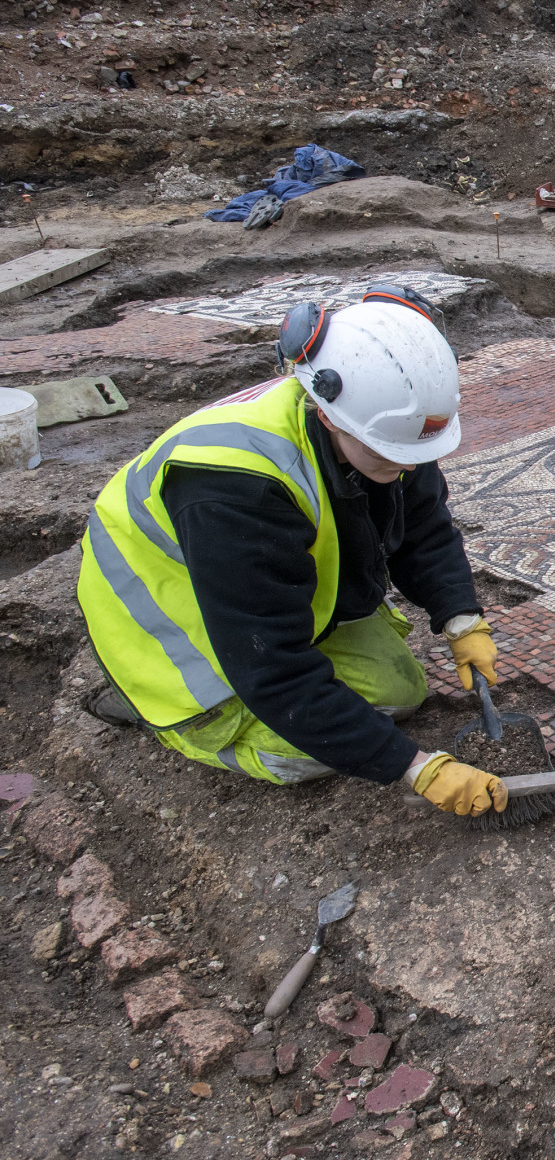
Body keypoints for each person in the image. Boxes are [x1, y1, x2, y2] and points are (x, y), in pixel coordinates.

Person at [77, 286, 512, 818]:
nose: (407, 465)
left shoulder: (379, 426)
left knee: (400, 689)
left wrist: (460, 616)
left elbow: (421, 521)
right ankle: (167, 717)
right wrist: (414, 767)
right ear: (329, 417)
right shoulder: (236, 489)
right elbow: (275, 669)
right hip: (173, 630)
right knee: (306, 754)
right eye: (394, 454)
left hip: (252, 595)